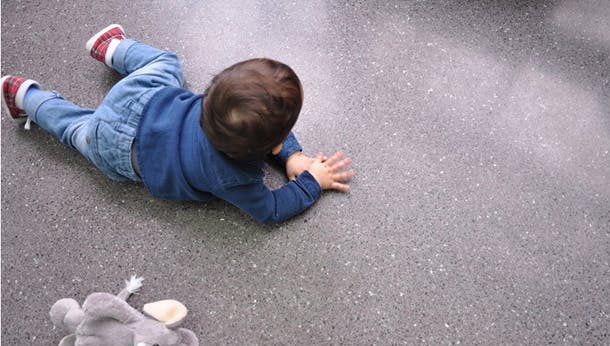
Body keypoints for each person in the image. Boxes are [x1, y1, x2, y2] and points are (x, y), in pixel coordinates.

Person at [1, 24, 354, 224]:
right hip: (118, 150)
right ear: (272, 144)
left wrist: (290, 154)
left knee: (166, 63)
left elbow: (268, 123)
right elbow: (271, 210)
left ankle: (112, 48)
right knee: (75, 129)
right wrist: (310, 180)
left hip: (141, 98)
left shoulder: (221, 101)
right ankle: (24, 96)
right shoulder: (235, 177)